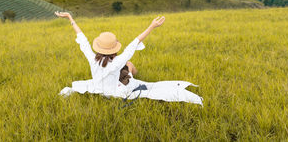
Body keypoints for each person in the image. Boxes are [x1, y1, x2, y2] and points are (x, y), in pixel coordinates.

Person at [55, 11, 203, 105]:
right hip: (117, 92)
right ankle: (131, 74)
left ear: (99, 48)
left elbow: (82, 38)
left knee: (125, 65)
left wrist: (70, 18)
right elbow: (135, 42)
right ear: (114, 50)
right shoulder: (117, 61)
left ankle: (128, 74)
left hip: (99, 88)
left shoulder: (92, 58)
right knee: (129, 64)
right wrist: (152, 26)